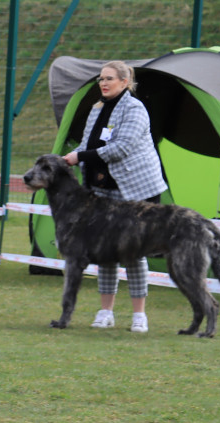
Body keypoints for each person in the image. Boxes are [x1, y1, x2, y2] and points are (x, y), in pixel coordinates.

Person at [63, 60, 167, 333]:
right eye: (100, 79)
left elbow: (120, 149)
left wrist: (79, 157)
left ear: (124, 82)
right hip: (101, 189)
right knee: (105, 252)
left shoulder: (135, 109)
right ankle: (105, 312)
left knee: (133, 252)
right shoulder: (97, 109)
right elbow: (87, 144)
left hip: (136, 190)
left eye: (109, 78)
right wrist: (73, 161)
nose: (103, 83)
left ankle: (139, 316)